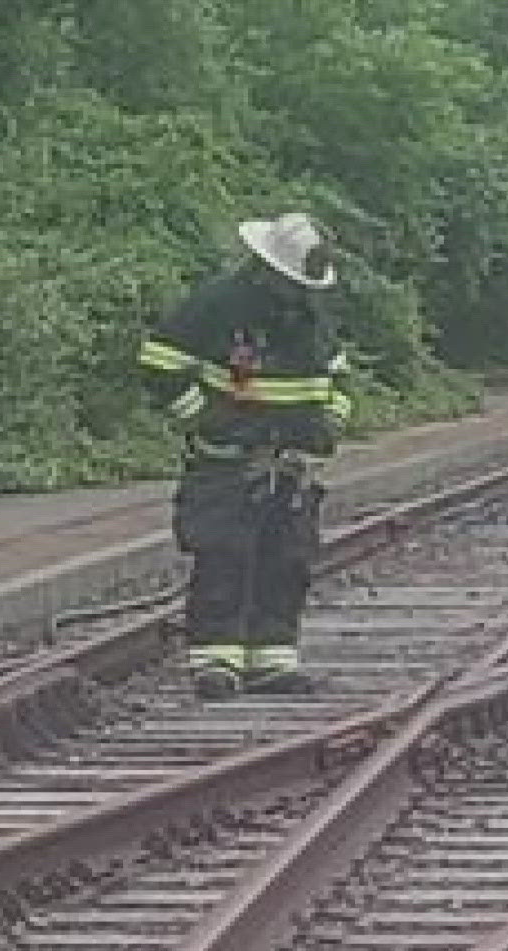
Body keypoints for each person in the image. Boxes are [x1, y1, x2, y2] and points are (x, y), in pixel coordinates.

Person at [137, 213, 353, 699]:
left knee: (288, 559)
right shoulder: (217, 305)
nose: (296, 293)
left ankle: (272, 656)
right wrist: (206, 419)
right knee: (223, 554)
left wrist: (329, 421)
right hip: (228, 458)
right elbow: (159, 363)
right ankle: (216, 660)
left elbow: (338, 375)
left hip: (292, 462)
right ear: (266, 268)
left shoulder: (312, 315)